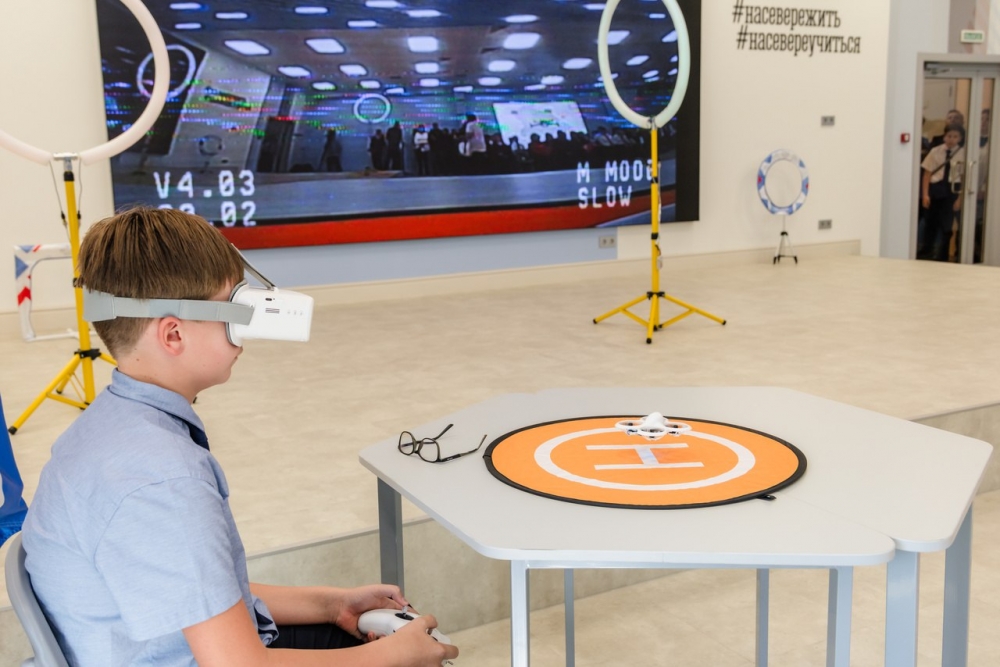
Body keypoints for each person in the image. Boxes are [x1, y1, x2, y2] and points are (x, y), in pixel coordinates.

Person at [19, 208, 458, 667]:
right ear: (173, 334)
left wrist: (331, 604)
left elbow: (199, 593)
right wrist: (398, 654)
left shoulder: (105, 428)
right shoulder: (164, 482)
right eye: (234, 313)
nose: (244, 334)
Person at [920, 124, 965, 262]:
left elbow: (964, 178)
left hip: (952, 189)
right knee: (930, 222)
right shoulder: (936, 151)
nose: (951, 139)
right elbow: (927, 174)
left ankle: (943, 254)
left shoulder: (964, 153)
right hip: (936, 189)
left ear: (960, 138)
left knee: (947, 224)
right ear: (944, 136)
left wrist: (960, 198)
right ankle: (927, 251)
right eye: (949, 136)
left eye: (955, 136)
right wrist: (925, 195)